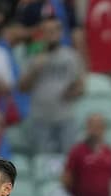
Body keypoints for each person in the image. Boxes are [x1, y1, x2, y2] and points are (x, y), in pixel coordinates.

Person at [18, 14, 84, 155]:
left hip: (65, 118)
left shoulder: (70, 56)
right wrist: (35, 69)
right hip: (40, 119)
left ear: (60, 33)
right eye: (48, 31)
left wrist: (72, 92)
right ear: (42, 33)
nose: (51, 34)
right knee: (42, 164)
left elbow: (80, 86)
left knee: (67, 162)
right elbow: (22, 88)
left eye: (54, 31)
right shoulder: (32, 55)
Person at [61, 113, 111, 196]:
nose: (95, 131)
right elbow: (67, 177)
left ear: (104, 129)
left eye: (99, 127)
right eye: (93, 127)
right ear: (87, 128)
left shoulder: (109, 152)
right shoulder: (78, 151)